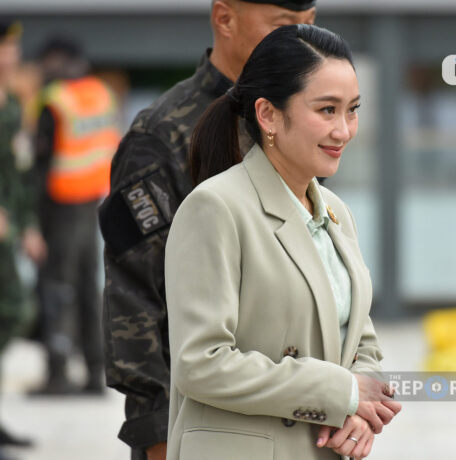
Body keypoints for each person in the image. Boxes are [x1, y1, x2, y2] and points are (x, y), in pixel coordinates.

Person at [165, 24, 401, 460]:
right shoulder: (215, 207)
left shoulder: (336, 212)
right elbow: (200, 363)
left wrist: (360, 410)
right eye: (326, 110)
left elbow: (361, 341)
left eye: (352, 110)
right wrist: (344, 392)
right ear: (268, 115)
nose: (344, 130)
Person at [98, 2, 316, 459]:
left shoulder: (299, 118)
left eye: (310, 24)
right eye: (283, 25)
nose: (300, 40)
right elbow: (134, 297)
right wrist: (157, 433)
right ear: (225, 19)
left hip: (294, 414)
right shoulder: (162, 135)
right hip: (201, 424)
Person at [31, 36, 121, 396]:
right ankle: (95, 373)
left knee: (56, 287)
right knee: (87, 286)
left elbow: (40, 162)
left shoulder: (55, 100)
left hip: (60, 204)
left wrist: (31, 219)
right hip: (93, 201)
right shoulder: (102, 93)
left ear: (58, 59)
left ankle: (57, 374)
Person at [0, 18, 45, 459]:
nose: (9, 56)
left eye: (12, 48)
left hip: (7, 230)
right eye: (3, 48)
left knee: (15, 310)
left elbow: (17, 171)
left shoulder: (12, 103)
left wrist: (28, 223)